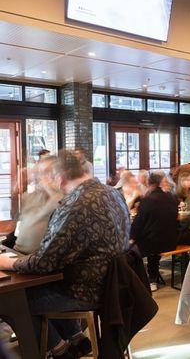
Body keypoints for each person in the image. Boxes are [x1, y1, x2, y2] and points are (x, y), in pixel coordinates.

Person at [0, 150, 129, 359]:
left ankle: (60, 350)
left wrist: (8, 263)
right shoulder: (112, 192)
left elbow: (44, 262)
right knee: (38, 287)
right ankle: (77, 338)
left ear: (59, 178)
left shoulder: (75, 205)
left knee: (15, 300)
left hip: (86, 291)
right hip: (114, 286)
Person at [131, 171, 180, 291]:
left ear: (149, 184)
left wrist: (131, 237)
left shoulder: (147, 200)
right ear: (161, 182)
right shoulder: (171, 197)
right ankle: (152, 278)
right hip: (171, 241)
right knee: (154, 237)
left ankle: (142, 280)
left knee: (132, 247)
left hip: (153, 243)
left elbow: (138, 224)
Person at [13, 156, 63, 254]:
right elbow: (17, 218)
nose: (41, 176)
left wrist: (49, 188)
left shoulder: (63, 196)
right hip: (18, 251)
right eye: (39, 172)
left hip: (39, 258)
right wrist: (16, 191)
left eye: (46, 172)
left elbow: (62, 206)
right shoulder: (31, 195)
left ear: (58, 174)